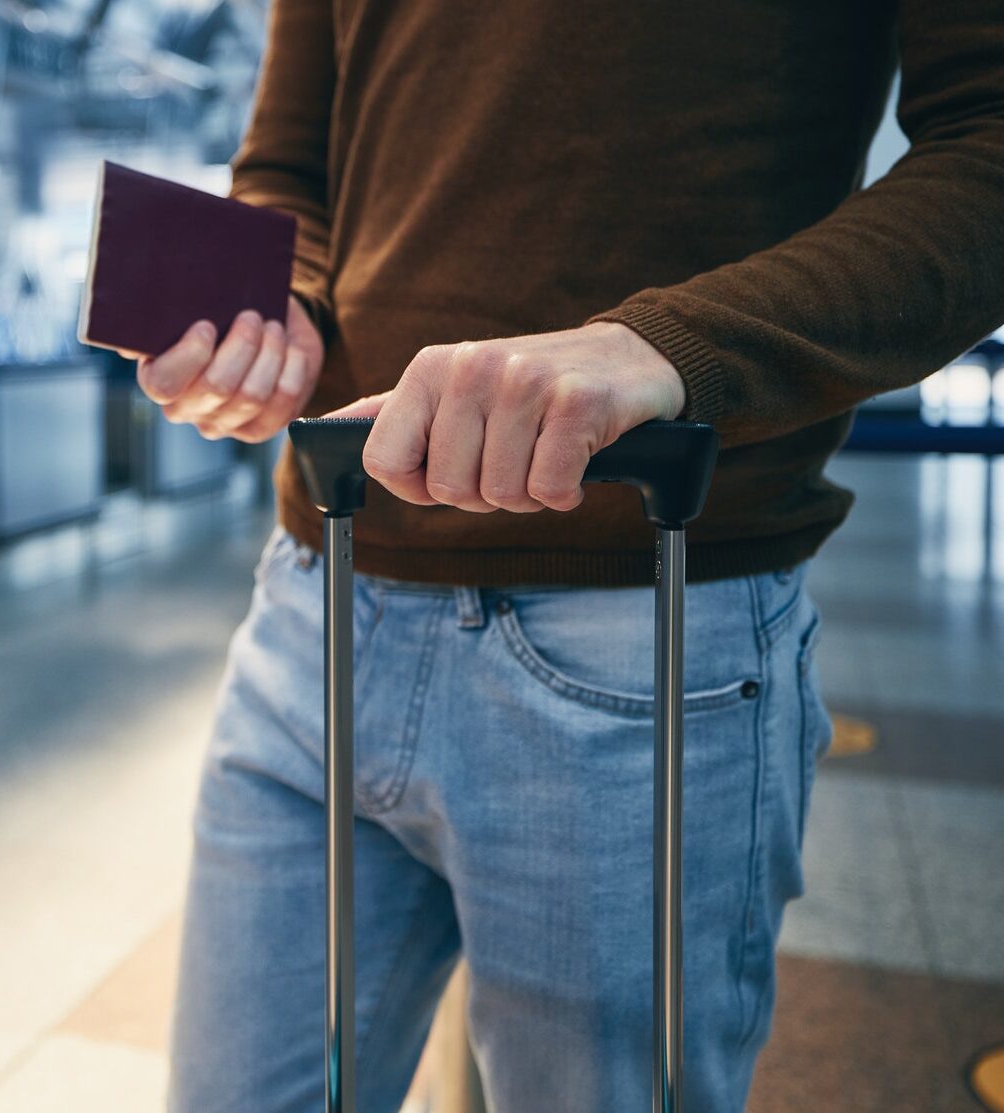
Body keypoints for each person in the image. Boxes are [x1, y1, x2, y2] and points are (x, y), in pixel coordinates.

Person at [143, 2, 1004, 1111]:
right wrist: (272, 305)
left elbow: (987, 144)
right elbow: (286, 166)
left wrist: (666, 347)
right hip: (318, 595)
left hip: (636, 621)